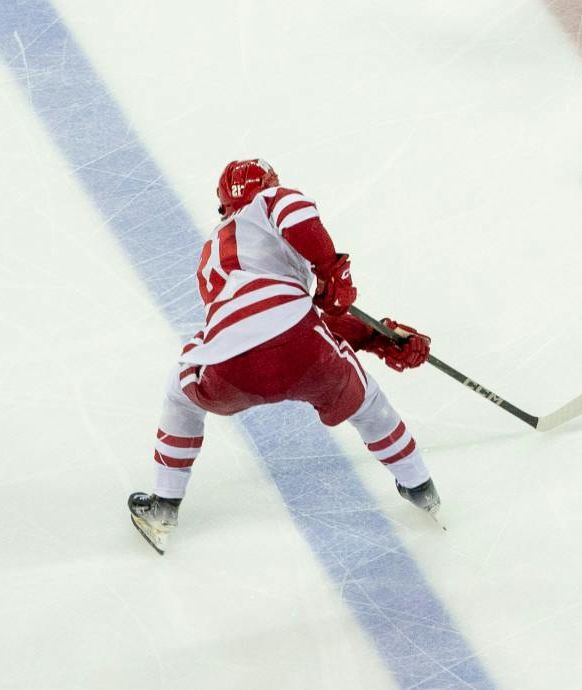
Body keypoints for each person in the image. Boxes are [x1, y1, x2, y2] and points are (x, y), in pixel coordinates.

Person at [127, 159, 437, 553]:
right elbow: (290, 324)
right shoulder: (267, 202)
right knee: (368, 403)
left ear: (223, 206)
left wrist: (375, 335)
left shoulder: (212, 254)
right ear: (270, 185)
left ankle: (164, 505)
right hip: (303, 349)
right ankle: (420, 488)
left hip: (229, 368)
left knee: (179, 393)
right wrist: (332, 271)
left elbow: (257, 327)